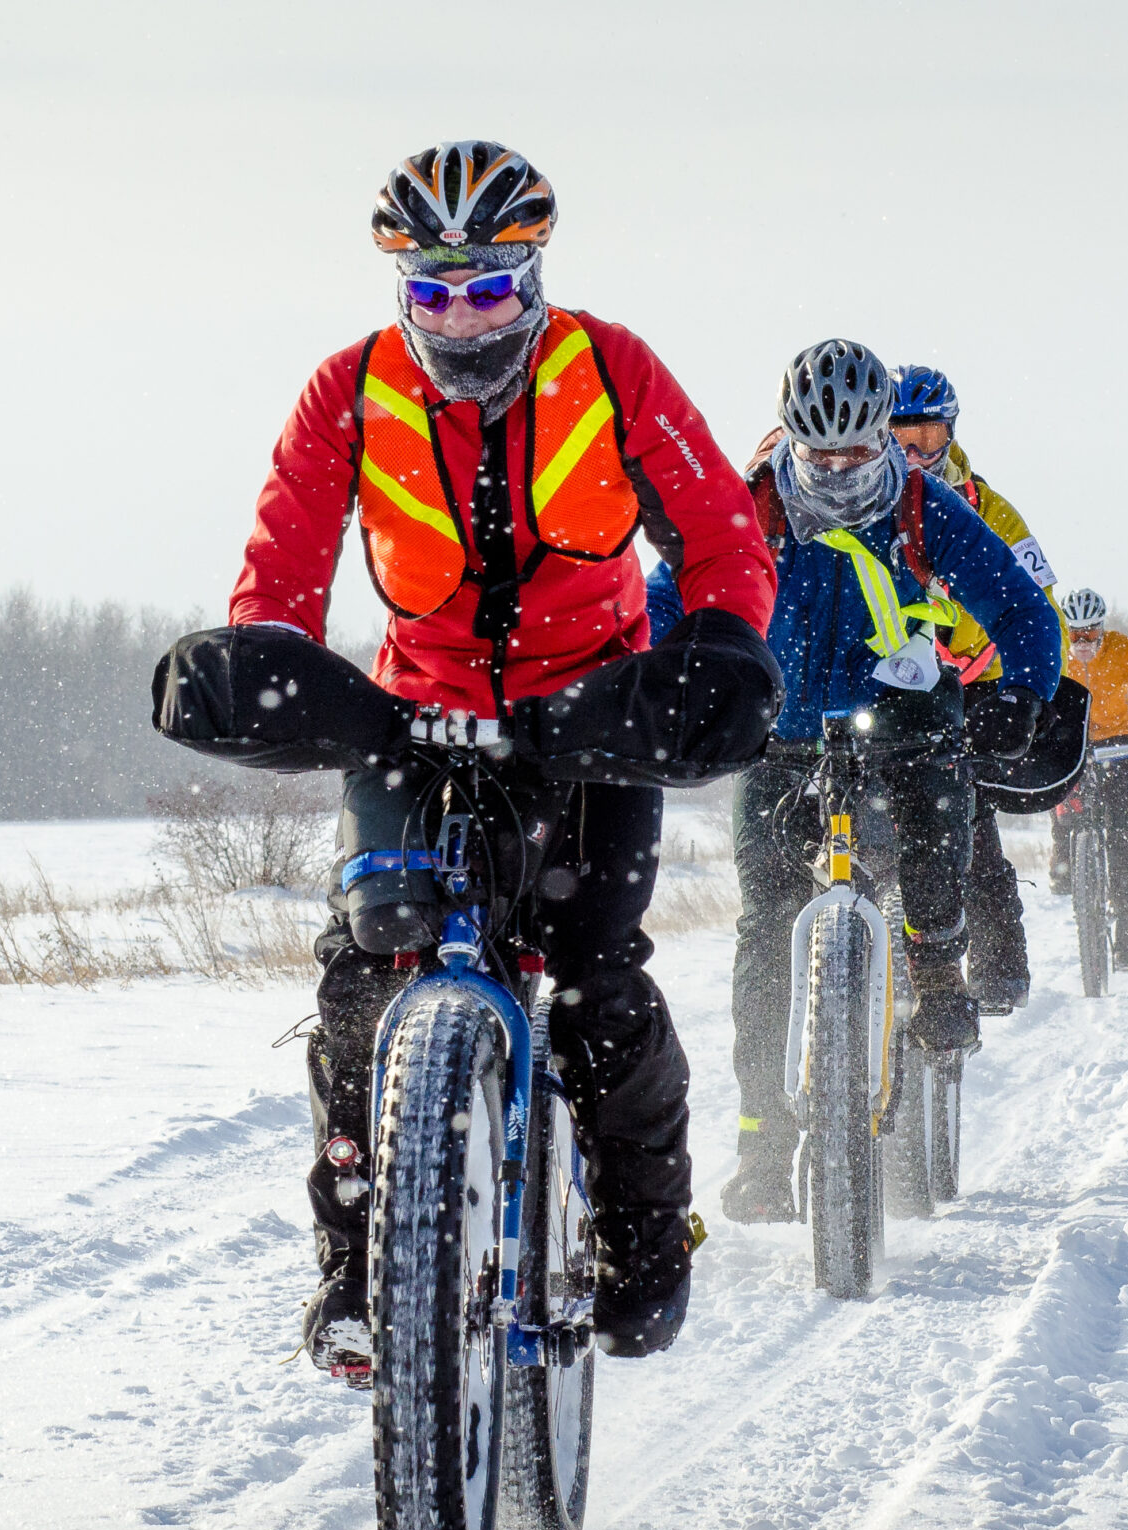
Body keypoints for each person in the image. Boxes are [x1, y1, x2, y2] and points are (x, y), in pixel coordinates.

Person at [222, 142, 780, 1377]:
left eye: (487, 284)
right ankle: (357, 1268)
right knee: (365, 975)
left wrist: (724, 647)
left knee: (594, 982)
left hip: (591, 716)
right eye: (432, 289)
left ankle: (644, 1243)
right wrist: (264, 667)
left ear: (533, 271)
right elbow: (282, 568)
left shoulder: (612, 366)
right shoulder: (347, 392)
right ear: (400, 287)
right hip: (416, 721)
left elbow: (719, 530)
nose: (460, 314)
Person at [709, 340, 1061, 1222]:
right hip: (780, 730)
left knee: (940, 822)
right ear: (788, 435)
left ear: (882, 440)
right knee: (764, 930)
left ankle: (939, 969)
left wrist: (1020, 690)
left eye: (856, 451)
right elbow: (671, 592)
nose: (835, 468)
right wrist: (673, 675)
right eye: (817, 452)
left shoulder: (919, 507)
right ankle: (763, 1143)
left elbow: (1020, 605)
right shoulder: (746, 507)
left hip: (900, 713)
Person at [881, 363, 1062, 1010]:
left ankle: (998, 968)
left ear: (950, 435)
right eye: (897, 435)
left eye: (926, 436)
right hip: (894, 685)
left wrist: (1024, 689)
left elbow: (1038, 601)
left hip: (975, 687)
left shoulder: (989, 509)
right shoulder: (871, 499)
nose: (912, 452)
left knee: (971, 826)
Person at [1044, 587, 1128, 969]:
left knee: (1120, 833)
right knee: (1058, 798)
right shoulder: (1053, 646)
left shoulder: (1122, 650)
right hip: (1070, 738)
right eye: (1076, 633)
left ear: (1102, 628)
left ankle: (1127, 927)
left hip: (1115, 744)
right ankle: (1063, 858)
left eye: (1091, 632)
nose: (1083, 641)